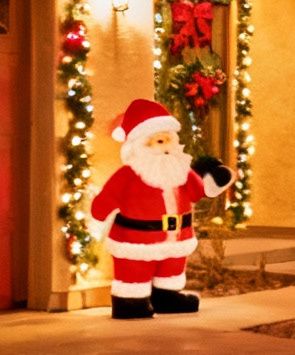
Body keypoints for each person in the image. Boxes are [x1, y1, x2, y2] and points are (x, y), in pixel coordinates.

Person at [88, 98, 233, 319]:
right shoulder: (127, 176)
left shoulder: (180, 169)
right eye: (158, 141)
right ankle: (130, 302)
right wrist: (97, 221)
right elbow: (106, 201)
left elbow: (199, 191)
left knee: (171, 270)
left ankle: (167, 296)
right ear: (139, 145)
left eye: (169, 140)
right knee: (134, 275)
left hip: (177, 239)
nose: (166, 147)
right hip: (136, 241)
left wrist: (216, 180)